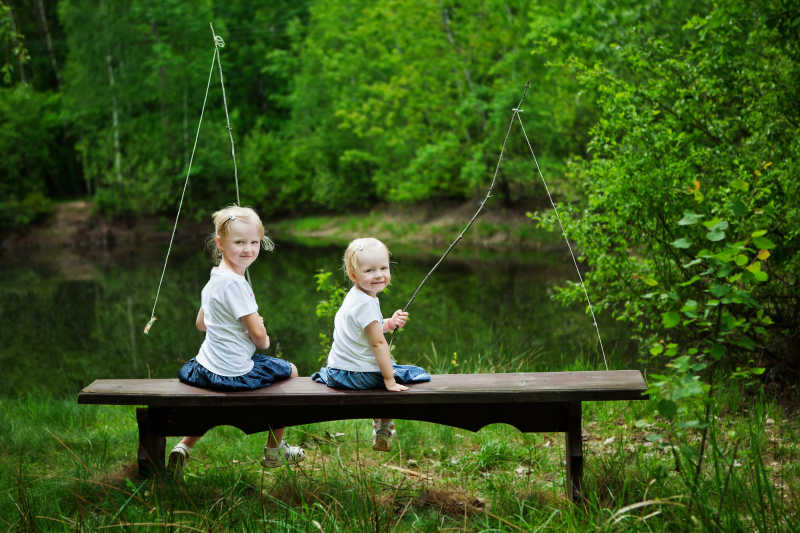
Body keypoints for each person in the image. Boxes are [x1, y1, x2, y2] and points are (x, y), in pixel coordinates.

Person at [167, 205, 305, 477]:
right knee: (291, 372)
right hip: (233, 374)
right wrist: (261, 328)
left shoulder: (215, 279)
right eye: (239, 242)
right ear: (220, 243)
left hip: (205, 369)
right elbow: (261, 341)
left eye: (254, 242)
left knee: (213, 405)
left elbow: (200, 324)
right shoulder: (236, 285)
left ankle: (184, 446)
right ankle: (275, 450)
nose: (248, 249)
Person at [312, 237, 430, 451]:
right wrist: (389, 380)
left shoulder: (357, 297)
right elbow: (377, 343)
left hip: (339, 372)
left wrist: (390, 323)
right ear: (353, 273)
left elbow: (368, 330)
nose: (379, 275)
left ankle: (382, 424)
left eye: (383, 268)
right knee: (410, 374)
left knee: (389, 369)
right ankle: (383, 426)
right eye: (369, 271)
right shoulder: (366, 303)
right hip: (357, 376)